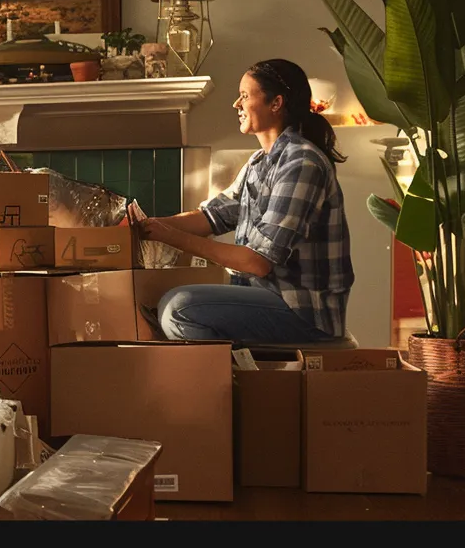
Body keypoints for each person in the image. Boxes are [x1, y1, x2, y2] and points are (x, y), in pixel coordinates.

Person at [139, 58, 354, 345]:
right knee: (170, 304)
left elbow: (258, 262)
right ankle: (232, 375)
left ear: (276, 103)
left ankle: (226, 386)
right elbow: (212, 217)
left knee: (181, 308)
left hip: (303, 313)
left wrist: (172, 237)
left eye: (244, 95)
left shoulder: (302, 163)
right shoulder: (259, 163)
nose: (235, 105)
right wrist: (145, 225)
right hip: (269, 299)